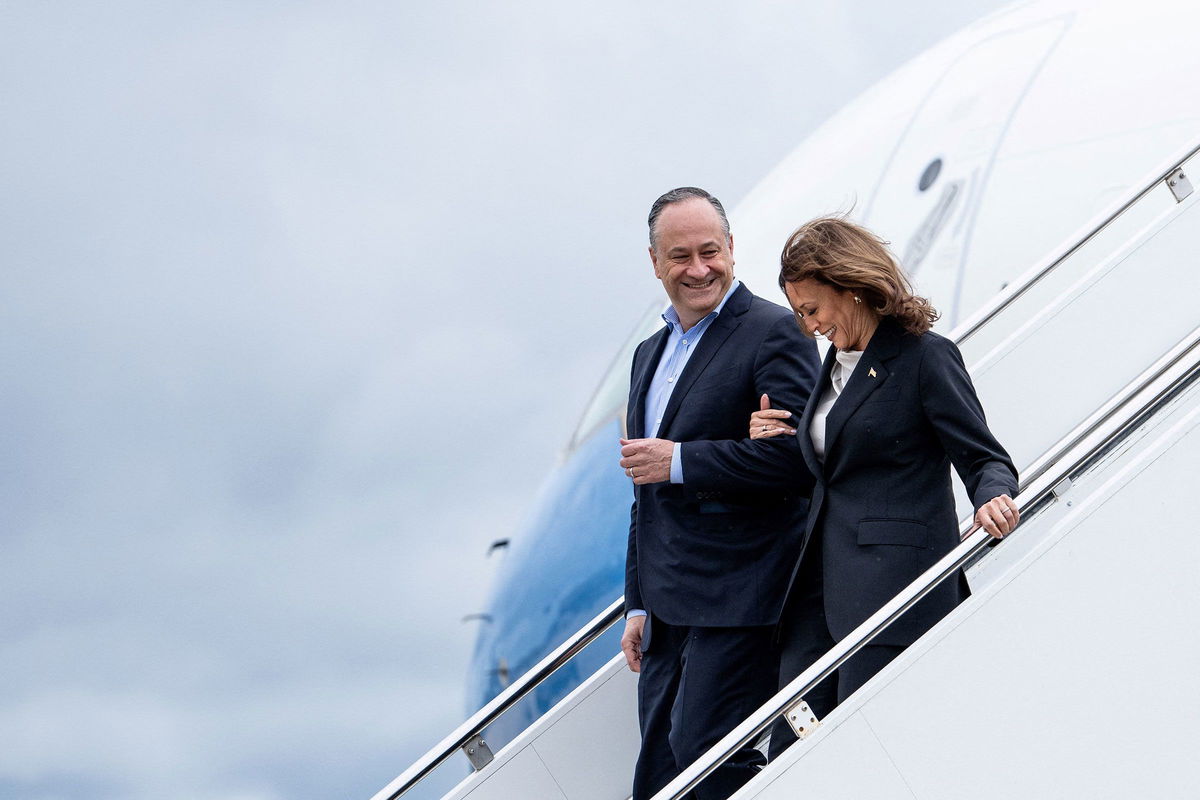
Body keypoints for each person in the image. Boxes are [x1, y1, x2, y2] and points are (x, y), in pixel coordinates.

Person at [663, 215, 1020, 757]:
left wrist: (993, 495)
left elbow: (982, 456)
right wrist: (767, 437)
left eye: (811, 310)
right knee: (791, 751)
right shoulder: (832, 369)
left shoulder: (924, 355)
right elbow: (828, 473)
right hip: (819, 597)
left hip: (894, 589)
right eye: (798, 314)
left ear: (850, 287)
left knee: (867, 755)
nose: (807, 328)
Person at [616, 187, 820, 800]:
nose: (699, 268)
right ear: (654, 262)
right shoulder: (647, 356)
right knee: (657, 777)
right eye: (680, 256)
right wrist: (637, 602)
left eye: (711, 251)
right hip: (668, 604)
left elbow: (797, 460)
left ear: (732, 248)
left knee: (707, 759)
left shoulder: (774, 330)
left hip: (742, 591)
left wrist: (681, 460)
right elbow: (644, 490)